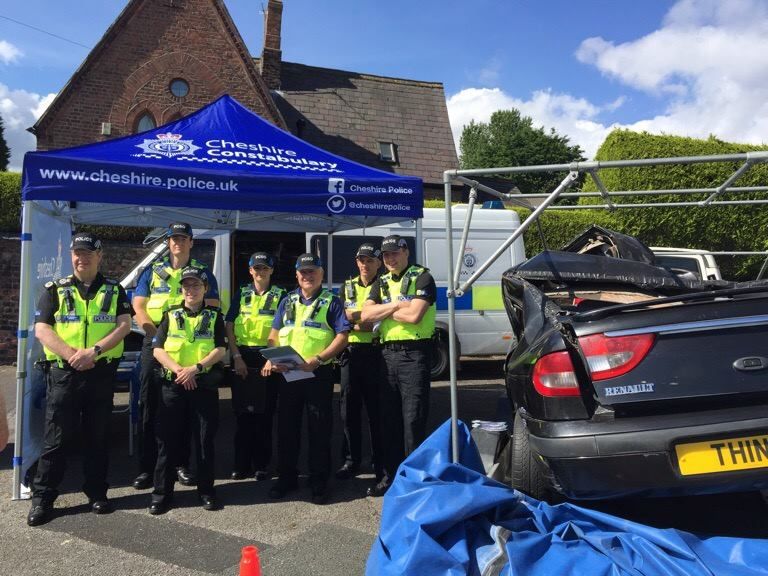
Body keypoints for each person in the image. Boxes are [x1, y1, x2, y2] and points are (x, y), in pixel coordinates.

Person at [27, 233, 132, 526]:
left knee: (97, 437)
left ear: (100, 256)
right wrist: (74, 354)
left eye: (87, 253)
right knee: (55, 440)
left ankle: (97, 492)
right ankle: (43, 499)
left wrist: (94, 352)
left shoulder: (114, 289)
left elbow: (125, 326)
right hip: (64, 373)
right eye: (76, 252)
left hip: (99, 372)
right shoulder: (55, 290)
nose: (80, 258)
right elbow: (42, 329)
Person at [131, 222, 219, 491]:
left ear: (192, 242)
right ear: (168, 242)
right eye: (173, 238)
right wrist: (156, 335)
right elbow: (138, 306)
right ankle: (147, 468)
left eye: (183, 238)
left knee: (182, 407)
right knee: (149, 405)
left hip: (189, 347)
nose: (178, 242)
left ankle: (181, 464)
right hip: (156, 344)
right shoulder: (152, 272)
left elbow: (213, 306)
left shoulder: (204, 273)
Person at [262, 253, 350, 504]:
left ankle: (319, 481)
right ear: (296, 275)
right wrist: (272, 357)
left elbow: (342, 336)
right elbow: (274, 334)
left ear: (321, 274)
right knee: (287, 429)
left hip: (317, 372)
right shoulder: (287, 300)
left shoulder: (331, 302)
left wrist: (319, 359)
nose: (306, 276)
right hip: (288, 373)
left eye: (311, 271)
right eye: (302, 272)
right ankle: (287, 478)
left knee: (319, 429)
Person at [361, 235, 436, 497]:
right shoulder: (380, 281)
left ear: (406, 252)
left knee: (413, 420)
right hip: (386, 356)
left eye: (394, 253)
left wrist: (384, 308)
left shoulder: (422, 276)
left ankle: (414, 483)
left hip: (414, 356)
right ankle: (390, 478)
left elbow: (415, 316)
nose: (390, 259)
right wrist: (396, 305)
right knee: (388, 421)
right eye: (386, 255)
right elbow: (366, 315)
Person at [149, 266, 226, 514]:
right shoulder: (169, 315)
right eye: (186, 286)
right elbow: (157, 349)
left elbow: (220, 349)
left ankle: (206, 491)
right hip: (174, 384)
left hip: (202, 385)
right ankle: (162, 494)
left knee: (204, 440)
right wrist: (181, 371)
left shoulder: (215, 316)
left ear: (205, 288)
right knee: (168, 441)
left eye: (195, 286)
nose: (190, 290)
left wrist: (196, 368)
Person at [225, 252, 286, 481]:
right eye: (256, 268)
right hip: (243, 357)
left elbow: (283, 329)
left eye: (264, 268)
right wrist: (236, 356)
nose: (260, 272)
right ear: (250, 270)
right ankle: (241, 465)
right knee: (242, 414)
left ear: (271, 270)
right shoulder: (241, 293)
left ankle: (261, 464)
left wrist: (273, 358)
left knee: (265, 414)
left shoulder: (281, 295)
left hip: (267, 358)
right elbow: (229, 326)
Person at [335, 243, 384, 482]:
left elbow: (379, 321)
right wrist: (361, 321)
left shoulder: (384, 285)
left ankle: (378, 461)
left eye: (370, 260)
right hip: (351, 354)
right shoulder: (347, 286)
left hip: (377, 354)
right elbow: (340, 319)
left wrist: (357, 319)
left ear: (378, 263)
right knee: (349, 411)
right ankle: (351, 461)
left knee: (376, 413)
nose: (365, 264)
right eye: (361, 260)